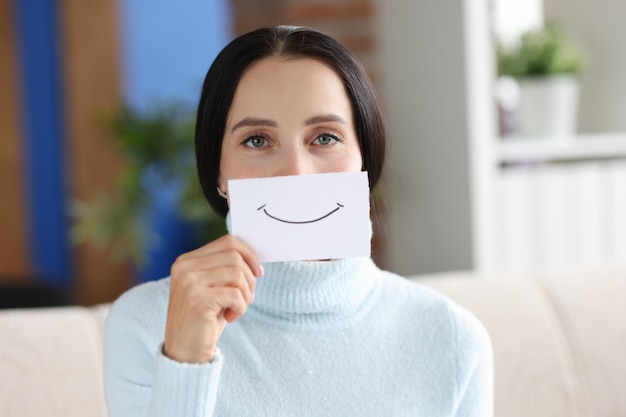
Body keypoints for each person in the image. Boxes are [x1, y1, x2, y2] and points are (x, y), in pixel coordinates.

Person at [103, 25, 493, 416]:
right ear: (219, 173)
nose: (295, 172)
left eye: (325, 138)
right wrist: (185, 363)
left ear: (365, 159)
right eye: (256, 140)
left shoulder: (453, 338)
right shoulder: (146, 325)